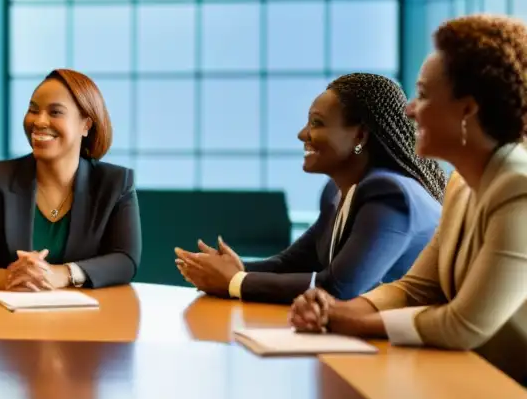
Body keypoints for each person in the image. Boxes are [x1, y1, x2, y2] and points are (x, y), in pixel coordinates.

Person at [290, 15, 527, 384]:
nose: (410, 109)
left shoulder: (518, 189)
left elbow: (464, 324)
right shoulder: (461, 185)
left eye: (425, 95)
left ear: (467, 109)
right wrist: (335, 311)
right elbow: (416, 288)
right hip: (470, 381)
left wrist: (353, 321)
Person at [177, 73, 446, 304]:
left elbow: (341, 288)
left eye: (317, 123)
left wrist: (235, 281)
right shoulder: (336, 191)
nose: (302, 134)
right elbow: (290, 264)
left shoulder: (389, 194)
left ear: (360, 136)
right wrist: (232, 269)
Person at [0, 69, 141, 290]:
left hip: (86, 320)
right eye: (33, 110)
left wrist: (64, 274)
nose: (39, 121)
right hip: (4, 317)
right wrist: (8, 278)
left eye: (55, 112)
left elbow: (125, 259)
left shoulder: (116, 183)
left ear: (86, 125)